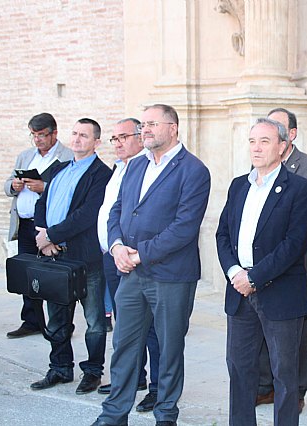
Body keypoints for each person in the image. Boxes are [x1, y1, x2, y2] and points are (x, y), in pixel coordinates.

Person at [92, 104, 210, 426]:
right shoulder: (133, 167)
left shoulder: (193, 170)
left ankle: (166, 416)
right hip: (130, 274)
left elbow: (184, 228)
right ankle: (114, 415)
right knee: (124, 346)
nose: (145, 130)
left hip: (170, 277)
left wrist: (139, 253)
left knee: (170, 350)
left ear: (173, 128)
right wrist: (116, 246)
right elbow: (117, 211)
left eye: (152, 124)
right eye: (143, 124)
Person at [216, 118, 307, 426]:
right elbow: (222, 235)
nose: (256, 148)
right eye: (252, 141)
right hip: (239, 289)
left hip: (279, 292)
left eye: (265, 141)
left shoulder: (299, 188)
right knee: (239, 366)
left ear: (283, 147)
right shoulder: (238, 185)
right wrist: (235, 272)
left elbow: (294, 244)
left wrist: (254, 277)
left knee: (284, 373)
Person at [31, 118, 112, 394]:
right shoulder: (60, 169)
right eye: (75, 134)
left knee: (95, 321)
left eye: (84, 136)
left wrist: (51, 235)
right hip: (54, 256)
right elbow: (40, 205)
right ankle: (60, 368)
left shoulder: (102, 174)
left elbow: (86, 216)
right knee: (57, 318)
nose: (77, 140)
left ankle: (92, 371)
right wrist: (43, 238)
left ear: (96, 142)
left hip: (85, 259)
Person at [254, 107, 307, 410]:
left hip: (295, 264)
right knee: (260, 330)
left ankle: (296, 391)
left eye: (276, 129)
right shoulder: (258, 171)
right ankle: (265, 386)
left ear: (289, 136)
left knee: (293, 336)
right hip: (261, 265)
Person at [95, 118, 159, 413]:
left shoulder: (147, 167)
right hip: (114, 254)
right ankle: (133, 378)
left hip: (138, 257)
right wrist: (114, 247)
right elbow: (113, 212)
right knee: (125, 325)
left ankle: (158, 389)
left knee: (152, 330)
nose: (118, 143)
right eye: (114, 138)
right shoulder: (120, 168)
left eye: (124, 137)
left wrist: (129, 251)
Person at [4, 112, 73, 338]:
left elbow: (70, 192)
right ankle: (31, 321)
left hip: (49, 228)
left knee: (53, 277)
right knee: (27, 274)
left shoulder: (68, 156)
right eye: (33, 135)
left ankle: (59, 325)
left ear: (54, 133)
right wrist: (14, 186)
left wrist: (44, 187)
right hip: (25, 225)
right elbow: (6, 185)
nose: (37, 140)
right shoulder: (25, 156)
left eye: (42, 135)